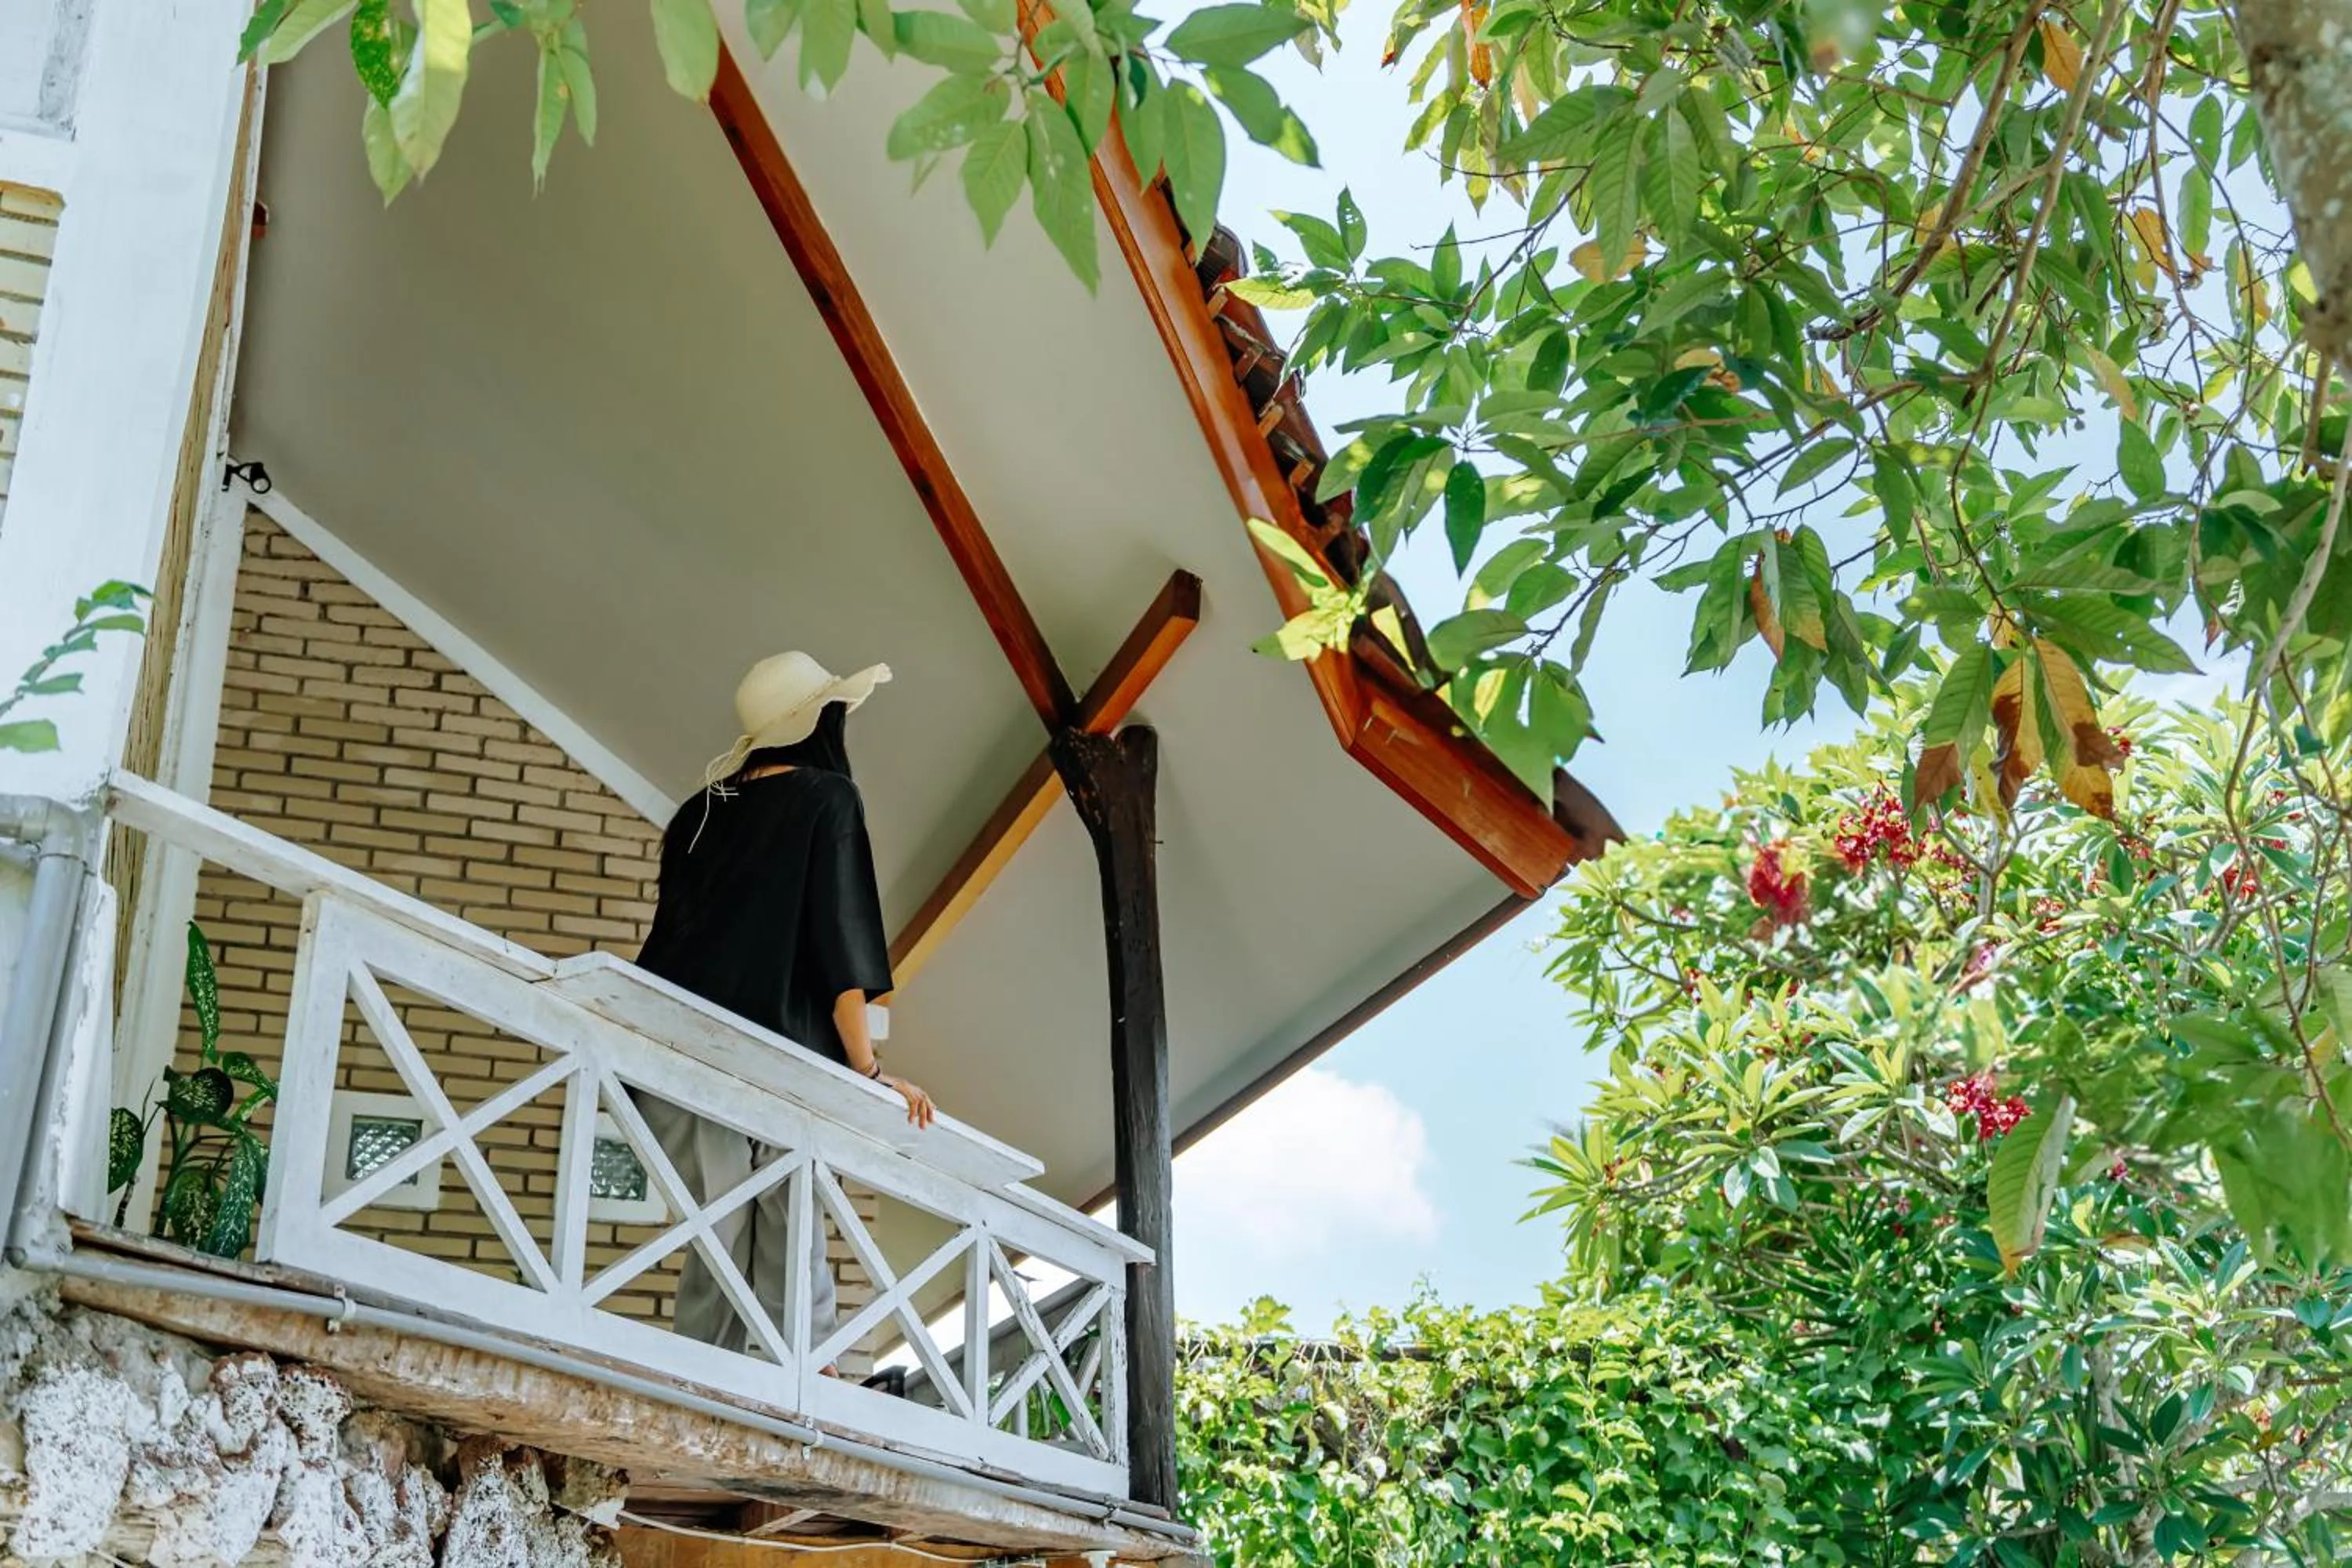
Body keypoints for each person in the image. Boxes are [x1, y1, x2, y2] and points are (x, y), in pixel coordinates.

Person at [632, 651, 936, 1364]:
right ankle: (801, 1388)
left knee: (720, 1232)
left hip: (675, 1046)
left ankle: (699, 1382)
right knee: (788, 1219)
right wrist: (868, 1068)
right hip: (782, 1058)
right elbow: (841, 946)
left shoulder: (698, 813)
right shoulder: (828, 797)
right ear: (818, 722)